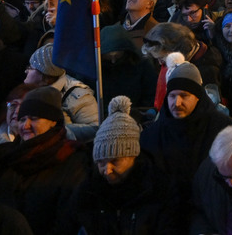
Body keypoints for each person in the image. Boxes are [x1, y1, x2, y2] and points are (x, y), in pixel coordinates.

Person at [64, 95, 184, 235]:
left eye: (115, 161)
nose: (107, 170)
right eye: (101, 163)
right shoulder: (87, 193)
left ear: (134, 155)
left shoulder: (159, 191)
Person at [0, 86, 90, 235]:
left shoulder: (72, 160)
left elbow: (66, 221)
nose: (25, 126)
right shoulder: (3, 156)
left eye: (34, 118)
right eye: (22, 119)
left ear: (53, 121)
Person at [140, 56, 232, 184]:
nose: (177, 103)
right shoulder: (152, 136)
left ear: (198, 97)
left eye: (184, 95)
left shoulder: (223, 130)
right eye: (172, 96)